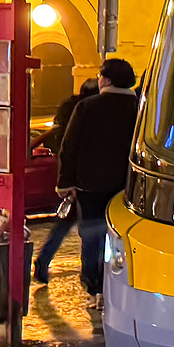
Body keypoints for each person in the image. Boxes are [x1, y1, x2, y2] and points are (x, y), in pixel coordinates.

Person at [56, 57, 139, 315]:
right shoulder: (140, 108)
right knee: (123, 238)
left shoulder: (87, 107)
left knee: (92, 236)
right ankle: (118, 287)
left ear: (107, 79)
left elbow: (69, 146)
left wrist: (65, 182)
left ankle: (94, 289)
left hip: (90, 185)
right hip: (126, 188)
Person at [34, 78, 98, 283]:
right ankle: (89, 274)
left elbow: (61, 142)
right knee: (91, 230)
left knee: (63, 224)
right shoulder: (91, 111)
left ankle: (43, 261)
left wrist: (65, 180)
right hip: (88, 180)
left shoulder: (69, 108)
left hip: (72, 177)